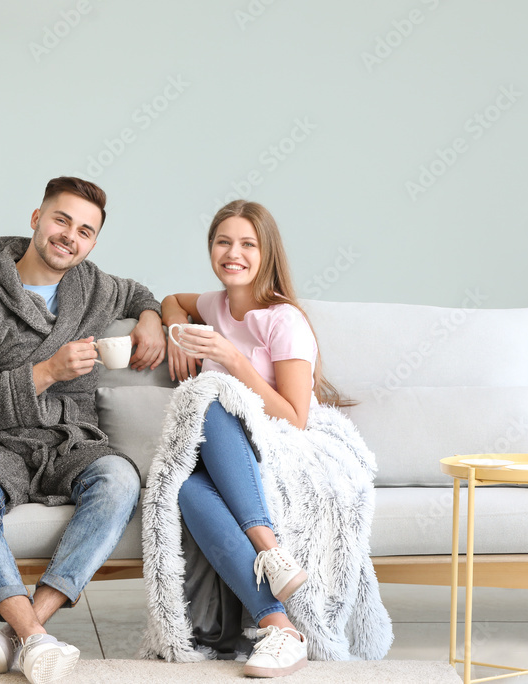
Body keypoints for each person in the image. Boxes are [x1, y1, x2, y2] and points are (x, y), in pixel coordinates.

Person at [0, 177, 166, 683]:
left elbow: (140, 292)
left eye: (85, 231)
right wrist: (46, 373)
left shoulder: (94, 288)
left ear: (93, 243)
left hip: (70, 441)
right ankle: (36, 639)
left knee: (121, 479)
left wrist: (150, 317)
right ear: (36, 219)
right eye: (62, 220)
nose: (70, 237)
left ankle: (23, 629)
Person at [161, 199, 348, 678]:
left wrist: (232, 360)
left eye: (247, 243)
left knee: (217, 394)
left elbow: (295, 416)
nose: (233, 253)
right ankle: (280, 628)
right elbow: (172, 302)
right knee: (184, 489)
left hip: (276, 445)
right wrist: (163, 326)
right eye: (223, 241)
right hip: (218, 453)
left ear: (266, 253)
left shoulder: (284, 321)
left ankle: (267, 546)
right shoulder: (214, 304)